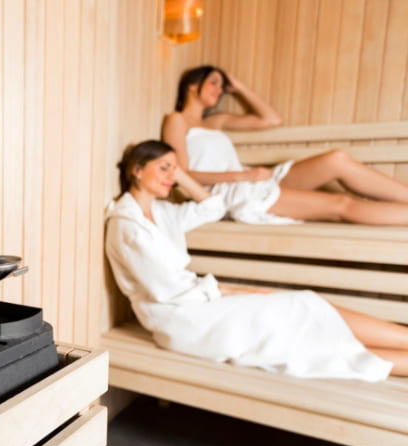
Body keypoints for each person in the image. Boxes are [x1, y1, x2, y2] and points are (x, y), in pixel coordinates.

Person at [104, 140, 408, 380]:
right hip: (182, 321)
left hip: (199, 306)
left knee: (306, 312)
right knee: (302, 313)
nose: (171, 177)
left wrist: (180, 174)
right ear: (137, 169)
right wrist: (232, 290)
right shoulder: (127, 225)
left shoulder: (163, 213)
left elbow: (213, 206)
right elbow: (168, 290)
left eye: (174, 170)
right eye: (164, 168)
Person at [161, 65, 408, 225]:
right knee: (340, 205)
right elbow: (183, 174)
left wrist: (240, 87)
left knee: (337, 159)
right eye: (214, 82)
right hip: (229, 190)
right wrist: (242, 175)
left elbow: (272, 119)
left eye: (222, 86)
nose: (220, 90)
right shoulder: (177, 120)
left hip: (253, 179)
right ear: (192, 85)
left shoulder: (215, 120)